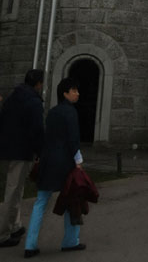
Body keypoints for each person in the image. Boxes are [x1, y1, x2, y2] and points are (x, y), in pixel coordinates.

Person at [24, 78, 86, 257]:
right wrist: (78, 159)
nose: (77, 93)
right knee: (72, 199)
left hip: (48, 160)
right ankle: (70, 241)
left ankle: (30, 244)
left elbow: (47, 135)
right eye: (74, 90)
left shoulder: (52, 112)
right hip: (65, 162)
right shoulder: (71, 112)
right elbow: (73, 139)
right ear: (65, 93)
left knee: (40, 202)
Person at [0, 70, 44, 249]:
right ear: (39, 84)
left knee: (15, 189)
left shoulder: (13, 97)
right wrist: (41, 152)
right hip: (20, 152)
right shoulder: (33, 102)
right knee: (13, 192)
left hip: (5, 150)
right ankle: (3, 234)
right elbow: (37, 130)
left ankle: (15, 225)